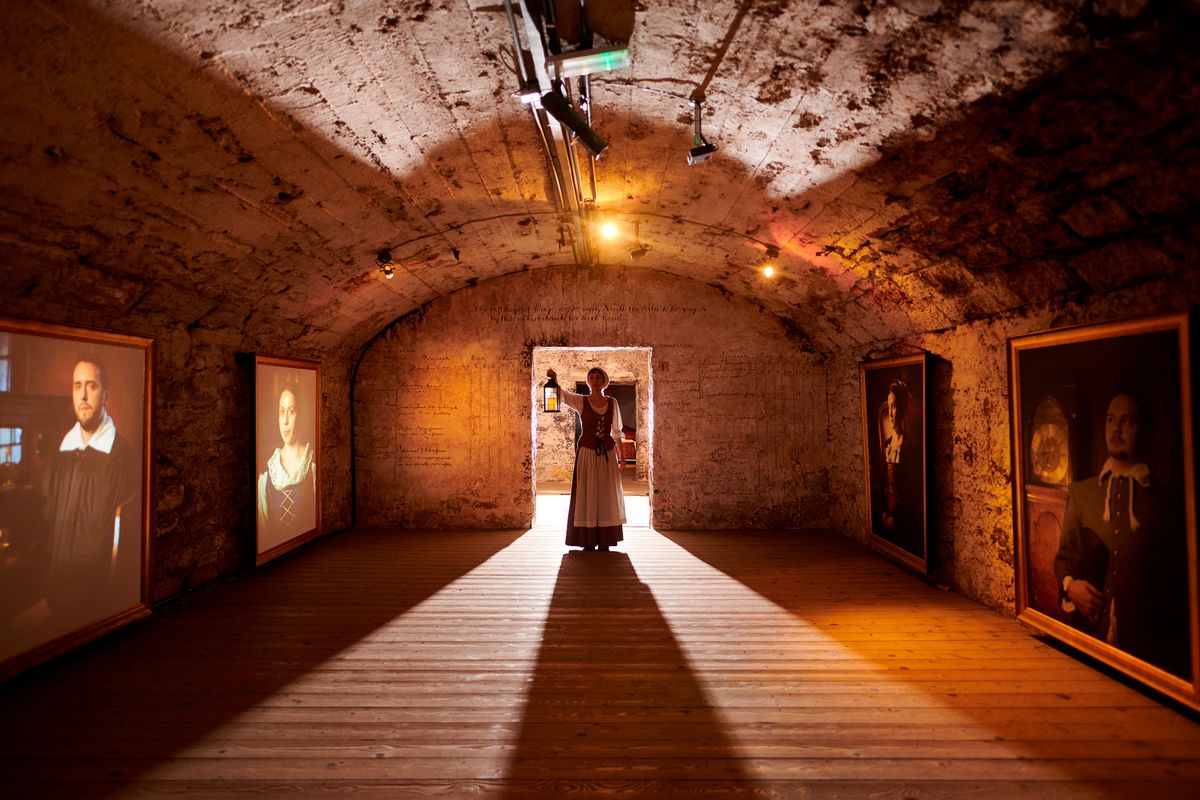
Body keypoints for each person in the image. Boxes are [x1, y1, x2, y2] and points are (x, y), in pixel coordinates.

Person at [1053, 392, 1190, 678]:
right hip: (1086, 643)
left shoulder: (1168, 503)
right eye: (1111, 420)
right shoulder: (1082, 493)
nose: (1116, 430)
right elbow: (1064, 558)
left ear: (1143, 429)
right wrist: (1070, 586)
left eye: (1126, 421)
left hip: (1149, 655)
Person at [41, 357, 139, 622]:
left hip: (94, 604)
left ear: (105, 395)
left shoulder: (122, 457)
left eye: (91, 386)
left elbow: (115, 544)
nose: (83, 395)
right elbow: (49, 522)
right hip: (53, 596)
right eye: (77, 386)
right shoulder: (61, 453)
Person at [547, 367, 626, 551]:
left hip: (607, 453)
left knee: (606, 493)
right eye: (592, 376)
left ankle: (605, 538)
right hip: (587, 452)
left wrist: (621, 455)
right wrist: (555, 379)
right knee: (588, 491)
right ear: (588, 380)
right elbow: (563, 396)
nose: (595, 379)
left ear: (604, 380)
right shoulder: (581, 401)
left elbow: (616, 432)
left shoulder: (612, 403)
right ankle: (587, 538)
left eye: (598, 376)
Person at [257, 381, 317, 548]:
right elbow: (262, 531)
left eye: (291, 411)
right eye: (281, 412)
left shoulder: (312, 468)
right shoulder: (267, 475)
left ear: (301, 414)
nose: (285, 421)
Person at [874, 379, 922, 556]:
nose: (892, 413)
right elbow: (882, 483)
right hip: (886, 513)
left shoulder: (910, 446)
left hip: (905, 517)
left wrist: (896, 517)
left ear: (903, 409)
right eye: (890, 406)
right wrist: (884, 513)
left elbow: (911, 490)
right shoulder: (888, 445)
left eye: (896, 407)